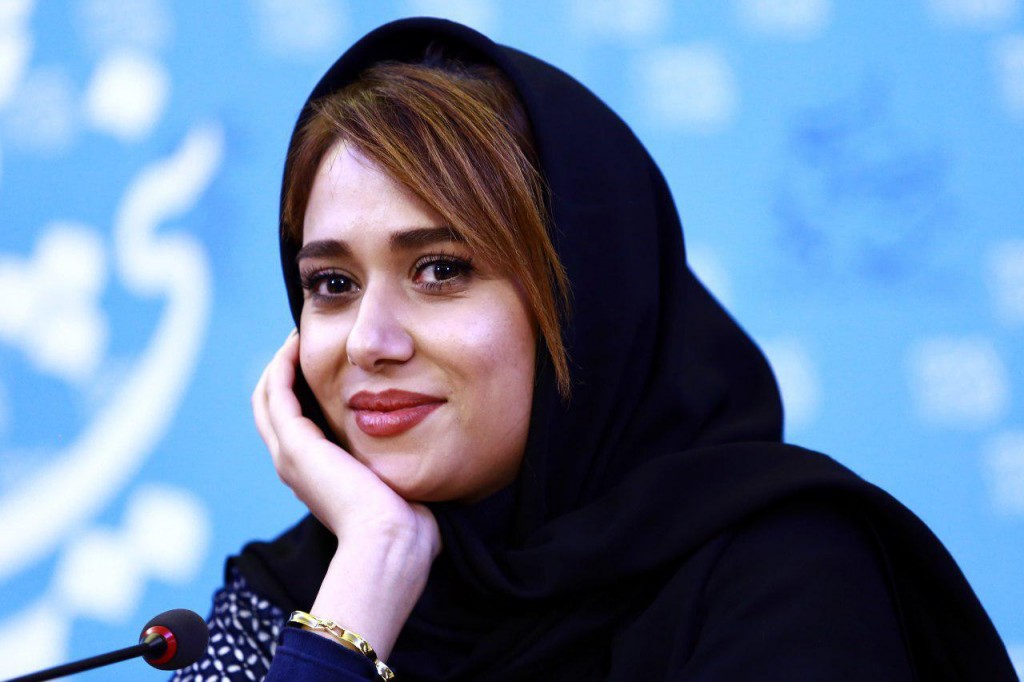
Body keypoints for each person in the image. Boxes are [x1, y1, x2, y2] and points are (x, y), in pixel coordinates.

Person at [174, 17, 1017, 682]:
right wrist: (366, 581)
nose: (369, 341)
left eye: (440, 270)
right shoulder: (297, 592)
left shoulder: (786, 576)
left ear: (582, 295)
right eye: (332, 283)